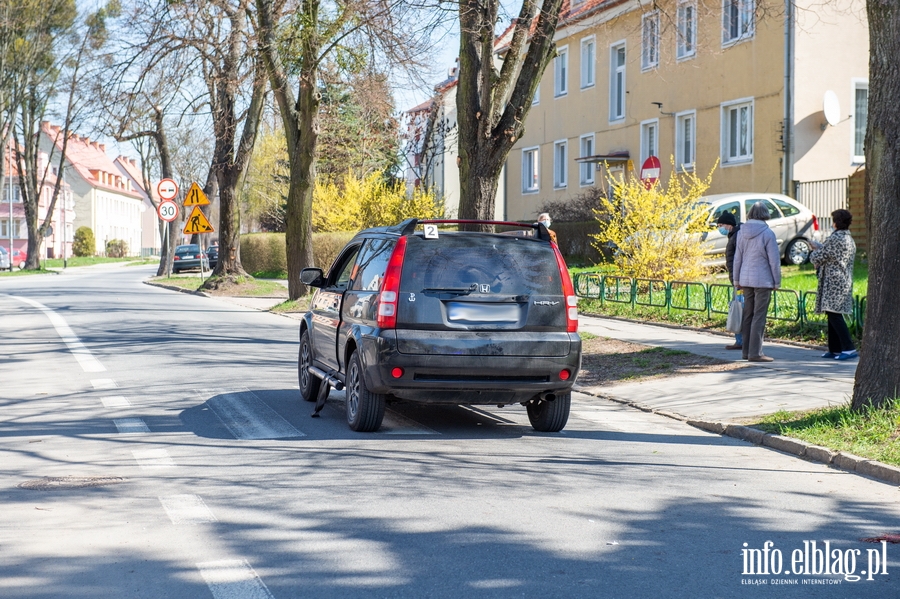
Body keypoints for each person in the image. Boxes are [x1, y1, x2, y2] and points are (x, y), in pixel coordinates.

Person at [733, 202, 781, 362]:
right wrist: (777, 281)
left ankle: (746, 351)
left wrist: (736, 279)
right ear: (766, 214)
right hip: (763, 280)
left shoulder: (741, 232)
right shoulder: (768, 233)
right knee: (759, 316)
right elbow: (774, 261)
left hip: (745, 280)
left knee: (748, 315)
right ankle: (756, 353)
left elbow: (737, 257)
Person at [809, 209, 857, 360]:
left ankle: (848, 348)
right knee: (832, 313)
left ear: (836, 222)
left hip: (833, 282)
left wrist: (813, 252)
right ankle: (835, 349)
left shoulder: (835, 238)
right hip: (843, 280)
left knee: (835, 315)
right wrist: (820, 247)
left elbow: (820, 256)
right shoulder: (847, 238)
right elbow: (832, 253)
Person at [716, 211, 743, 350]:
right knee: (738, 308)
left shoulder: (737, 236)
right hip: (737, 279)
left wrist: (736, 279)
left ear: (728, 224)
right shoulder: (733, 235)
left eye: (720, 225)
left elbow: (737, 259)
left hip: (740, 280)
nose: (719, 228)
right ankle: (740, 340)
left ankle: (741, 341)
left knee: (739, 309)